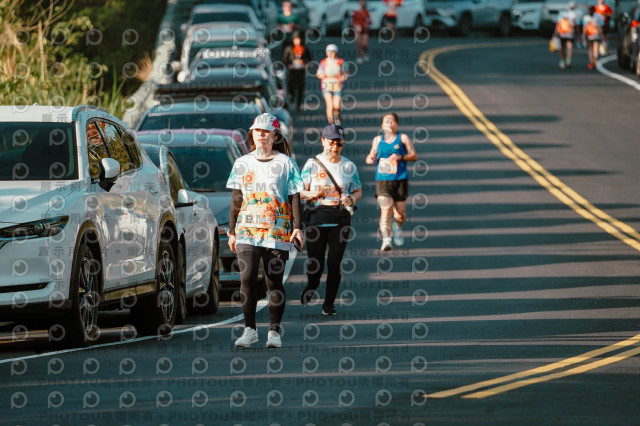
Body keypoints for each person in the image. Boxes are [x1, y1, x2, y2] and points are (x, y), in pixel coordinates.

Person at [226, 113, 305, 348]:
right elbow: (237, 197)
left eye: (266, 132)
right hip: (247, 230)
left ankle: (274, 332)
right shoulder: (242, 163)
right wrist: (232, 231)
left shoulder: (286, 163)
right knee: (247, 278)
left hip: (276, 231)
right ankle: (249, 329)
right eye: (257, 131)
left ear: (275, 135)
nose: (261, 135)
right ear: (252, 135)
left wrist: (297, 227)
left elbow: (294, 196)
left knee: (274, 281)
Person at [299, 124, 362, 316]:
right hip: (315, 219)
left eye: (339, 144)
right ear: (323, 141)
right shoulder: (312, 164)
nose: (335, 147)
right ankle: (312, 284)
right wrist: (313, 193)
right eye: (331, 143)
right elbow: (299, 192)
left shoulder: (349, 166)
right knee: (315, 264)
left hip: (340, 219)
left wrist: (351, 199)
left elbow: (358, 190)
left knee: (334, 262)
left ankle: (329, 304)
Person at [365, 113, 417, 251]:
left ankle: (397, 227)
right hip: (383, 180)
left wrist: (400, 157)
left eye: (391, 121)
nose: (388, 123)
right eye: (386, 121)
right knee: (386, 209)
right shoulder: (377, 140)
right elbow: (370, 157)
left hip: (400, 179)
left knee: (400, 214)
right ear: (382, 125)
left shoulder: (403, 138)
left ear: (396, 124)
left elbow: (413, 156)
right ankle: (386, 240)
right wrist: (371, 158)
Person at [316, 44, 348, 125]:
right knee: (329, 104)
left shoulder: (341, 62)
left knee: (336, 104)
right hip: (326, 85)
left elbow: (346, 73)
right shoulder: (323, 63)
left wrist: (341, 78)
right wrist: (323, 75)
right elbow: (318, 74)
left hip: (337, 85)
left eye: (333, 52)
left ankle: (337, 115)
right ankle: (330, 122)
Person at [281, 32, 312, 112]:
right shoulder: (289, 48)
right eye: (296, 39)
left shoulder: (304, 48)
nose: (297, 41)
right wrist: (289, 65)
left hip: (301, 71)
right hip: (292, 72)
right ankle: (291, 100)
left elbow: (310, 59)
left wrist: (305, 64)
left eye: (298, 39)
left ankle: (298, 105)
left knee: (301, 88)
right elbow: (284, 59)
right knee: (291, 87)